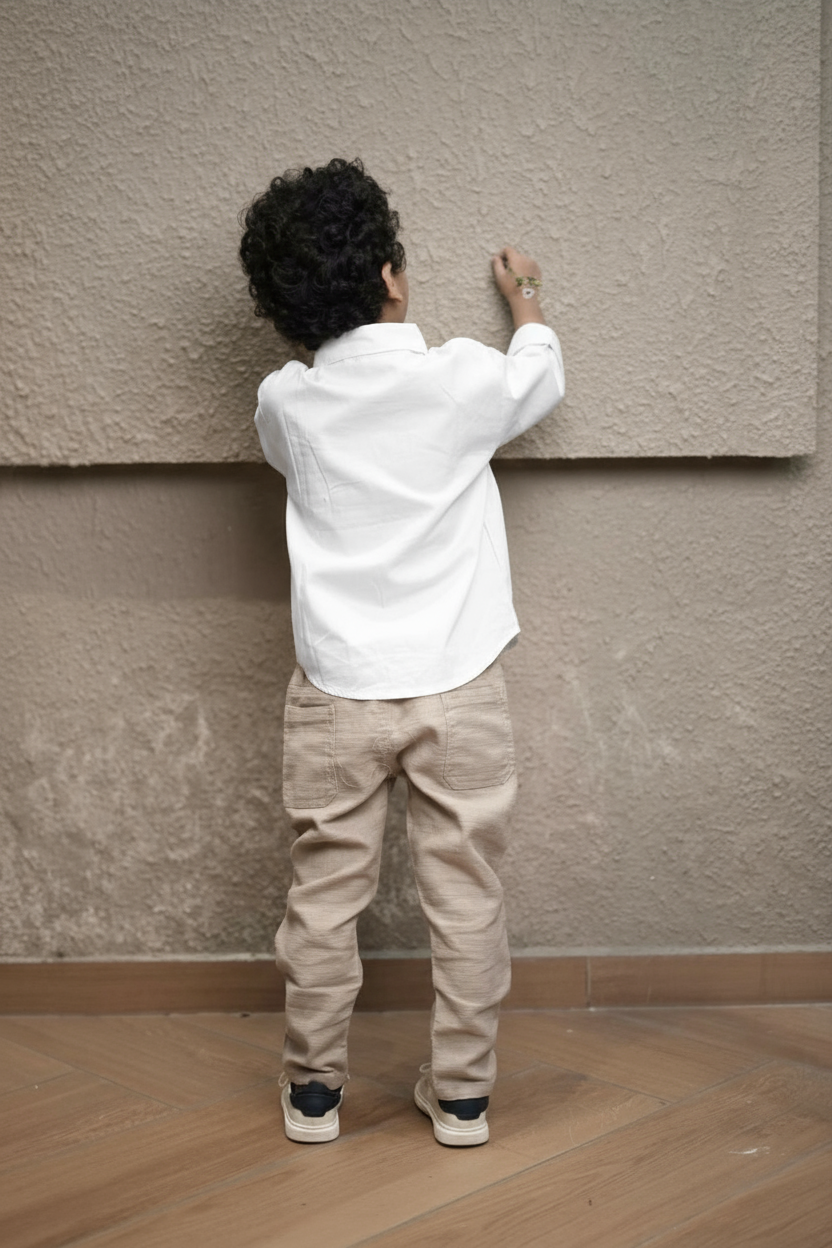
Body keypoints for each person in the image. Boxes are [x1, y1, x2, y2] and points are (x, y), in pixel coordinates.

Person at [239, 158, 564, 1147]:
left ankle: (313, 1095)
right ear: (391, 275)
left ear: (286, 307)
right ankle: (462, 1096)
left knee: (323, 896)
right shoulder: (461, 378)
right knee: (464, 892)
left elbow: (290, 449)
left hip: (337, 693)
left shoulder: (286, 403)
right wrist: (527, 300)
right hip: (458, 686)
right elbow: (536, 379)